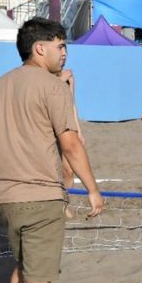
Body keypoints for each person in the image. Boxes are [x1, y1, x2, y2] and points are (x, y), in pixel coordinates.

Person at [0, 17, 103, 283]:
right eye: (60, 46)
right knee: (40, 281)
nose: (65, 52)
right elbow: (70, 144)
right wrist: (93, 189)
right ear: (39, 48)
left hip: (5, 199)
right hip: (41, 197)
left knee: (24, 269)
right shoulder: (51, 87)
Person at [55, 68, 85, 219]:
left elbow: (71, 104)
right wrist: (60, 80)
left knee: (68, 171)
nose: (62, 55)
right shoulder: (43, 76)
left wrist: (78, 130)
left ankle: (64, 205)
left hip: (65, 128)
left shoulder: (69, 76)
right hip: (46, 129)